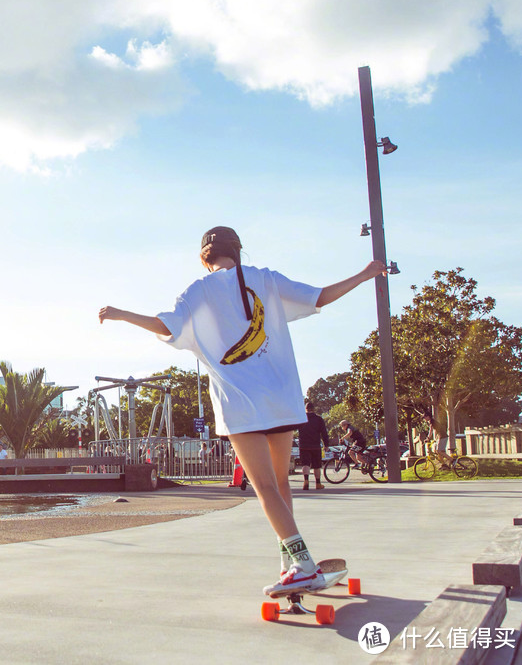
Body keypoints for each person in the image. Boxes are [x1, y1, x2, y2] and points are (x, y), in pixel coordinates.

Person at [98, 225, 386, 596]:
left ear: (205, 257)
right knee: (281, 484)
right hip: (282, 396)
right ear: (238, 250)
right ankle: (289, 566)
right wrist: (364, 274)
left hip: (240, 403)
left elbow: (165, 324)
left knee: (264, 486)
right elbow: (320, 297)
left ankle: (302, 564)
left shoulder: (198, 290)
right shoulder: (265, 278)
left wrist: (124, 314)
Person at [297, 401, 331, 491]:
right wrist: (326, 444)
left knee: (305, 464)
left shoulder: (301, 419)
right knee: (316, 465)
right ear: (314, 409)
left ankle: (306, 481)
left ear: (306, 409)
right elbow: (324, 433)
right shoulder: (319, 419)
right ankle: (318, 483)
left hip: (303, 445)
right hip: (315, 445)